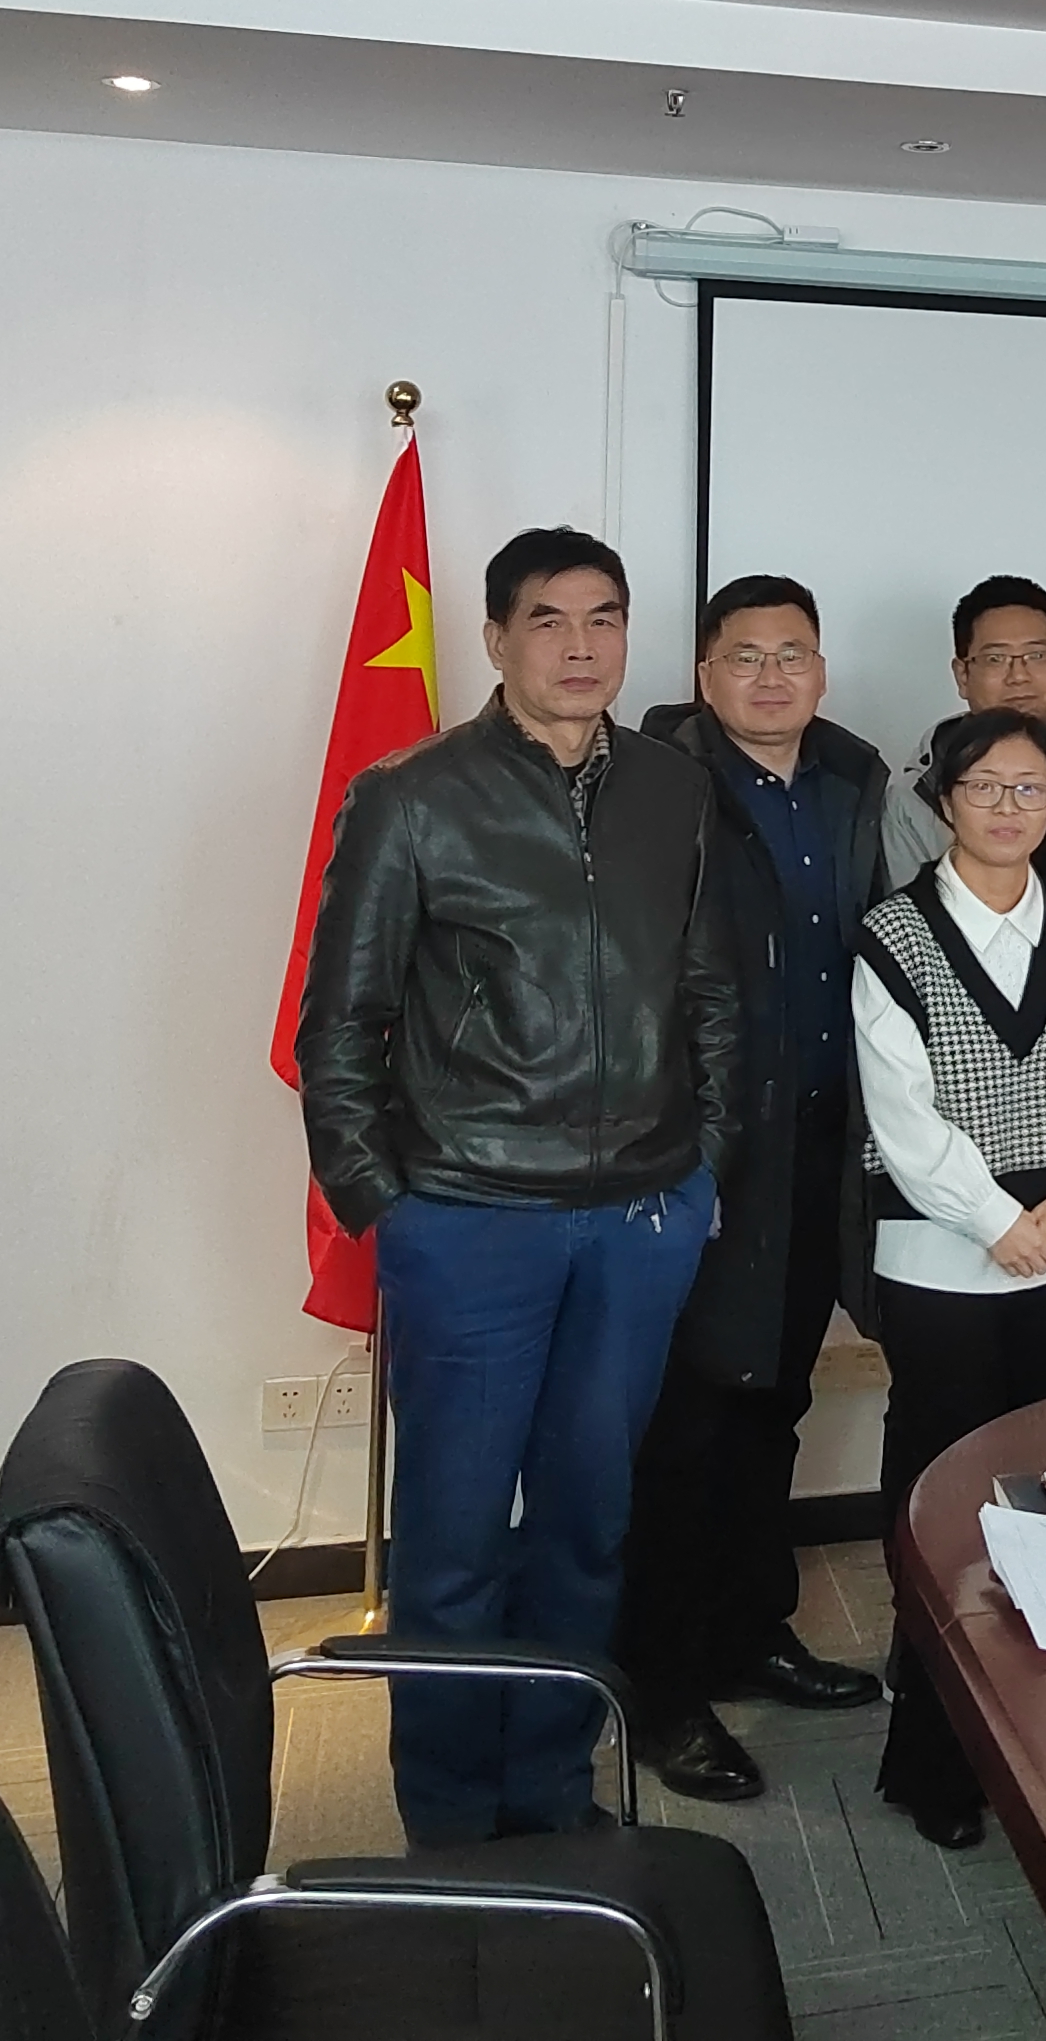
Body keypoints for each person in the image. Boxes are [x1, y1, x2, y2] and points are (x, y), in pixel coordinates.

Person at [295, 528, 739, 1847]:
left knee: (587, 1528)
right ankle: (449, 1825)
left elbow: (710, 989)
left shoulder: (672, 788)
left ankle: (548, 1799)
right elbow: (340, 1025)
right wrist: (386, 1201)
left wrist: (703, 1167)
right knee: (452, 1543)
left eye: (605, 618)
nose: (582, 646)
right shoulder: (412, 797)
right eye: (550, 620)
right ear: (496, 639)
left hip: (638, 1222)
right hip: (470, 1221)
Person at [612, 576, 889, 1808]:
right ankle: (661, 1686)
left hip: (822, 1144)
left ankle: (749, 1631)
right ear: (703, 673)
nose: (771, 679)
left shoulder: (852, 778)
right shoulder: (657, 783)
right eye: (745, 657)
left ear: (820, 669)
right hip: (710, 1150)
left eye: (793, 655)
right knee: (686, 1422)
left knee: (775, 1398)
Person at [857, 709, 1046, 1850]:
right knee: (948, 1509)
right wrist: (996, 1221)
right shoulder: (894, 934)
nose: (1010, 807)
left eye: (1032, 788)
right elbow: (901, 1115)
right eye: (986, 787)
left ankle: (1045, 1746)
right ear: (945, 800)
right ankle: (931, 1760)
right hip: (943, 1262)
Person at [881, 577, 1046, 889]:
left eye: (1037, 656)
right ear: (963, 675)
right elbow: (910, 914)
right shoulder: (913, 800)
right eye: (995, 659)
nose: (1019, 676)